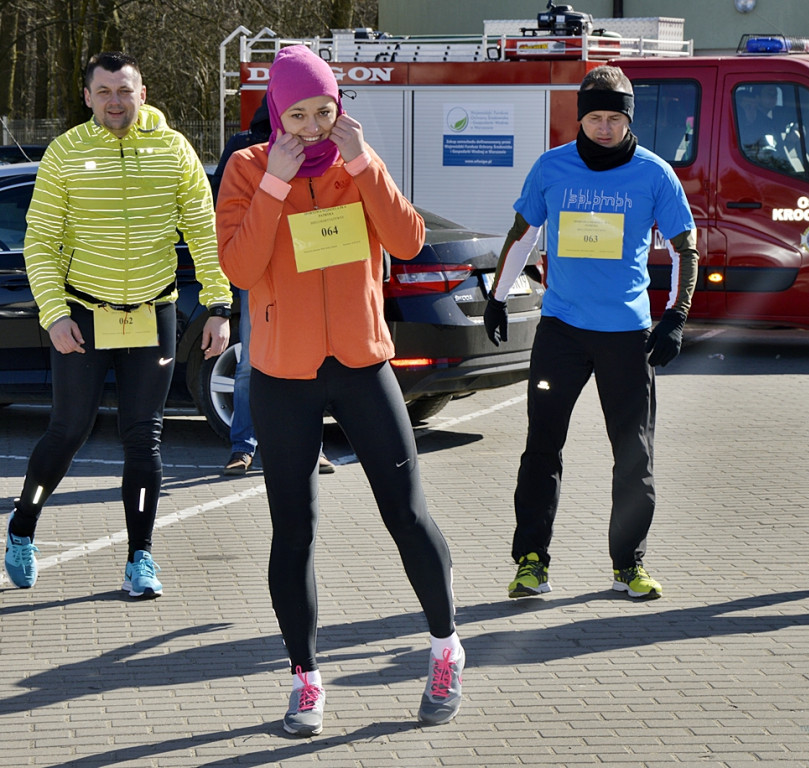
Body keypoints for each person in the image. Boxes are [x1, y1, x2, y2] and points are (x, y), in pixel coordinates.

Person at [216, 45, 464, 735]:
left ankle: (446, 648)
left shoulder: (357, 162)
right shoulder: (247, 167)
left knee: (407, 514)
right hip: (283, 377)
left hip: (361, 366)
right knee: (293, 531)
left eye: (323, 111)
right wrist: (274, 183)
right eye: (296, 114)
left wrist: (364, 164)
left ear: (339, 108)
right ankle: (306, 680)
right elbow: (239, 267)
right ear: (275, 112)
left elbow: (408, 241)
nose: (310, 127)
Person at [3, 52, 233, 597]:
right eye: (103, 91)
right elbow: (40, 243)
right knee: (69, 430)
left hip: (153, 313)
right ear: (87, 97)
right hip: (83, 314)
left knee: (144, 438)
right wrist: (55, 314)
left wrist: (219, 306)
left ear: (142, 93)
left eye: (124, 90)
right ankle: (23, 525)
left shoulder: (174, 151)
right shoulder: (66, 152)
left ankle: (140, 558)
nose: (114, 101)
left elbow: (205, 233)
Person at [485, 64, 699, 601]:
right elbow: (523, 234)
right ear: (580, 118)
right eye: (595, 118)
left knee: (633, 454)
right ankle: (531, 561)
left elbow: (684, 249)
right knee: (541, 447)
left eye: (614, 119)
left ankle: (629, 565)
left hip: (627, 336)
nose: (604, 128)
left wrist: (675, 316)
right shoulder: (551, 167)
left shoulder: (655, 174)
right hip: (562, 332)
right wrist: (497, 296)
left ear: (629, 120)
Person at [210, 100, 335, 477]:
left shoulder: (320, 144)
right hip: (259, 270)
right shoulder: (244, 148)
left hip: (306, 265)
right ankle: (243, 445)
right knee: (252, 361)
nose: (306, 123)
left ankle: (312, 448)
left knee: (312, 361)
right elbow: (222, 205)